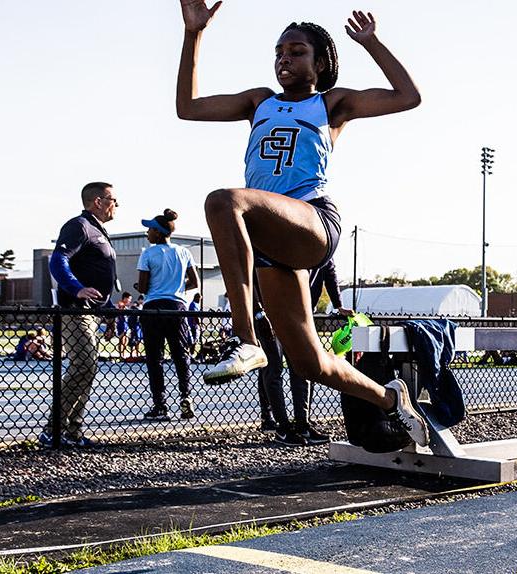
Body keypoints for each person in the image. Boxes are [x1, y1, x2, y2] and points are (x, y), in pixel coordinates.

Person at [176, 3, 429, 445]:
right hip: (272, 240)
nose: (284, 59)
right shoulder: (259, 101)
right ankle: (391, 401)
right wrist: (193, 34)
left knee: (223, 201)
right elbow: (188, 108)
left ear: (320, 62)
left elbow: (408, 97)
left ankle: (245, 338)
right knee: (311, 363)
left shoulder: (331, 103)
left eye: (296, 51)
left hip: (312, 222)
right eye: (279, 52)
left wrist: (371, 42)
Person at [40, 181, 118, 447]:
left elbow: (96, 272)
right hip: (75, 311)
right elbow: (58, 260)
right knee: (83, 364)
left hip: (92, 313)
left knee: (89, 368)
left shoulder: (99, 231)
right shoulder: (79, 226)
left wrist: (108, 311)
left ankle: (72, 431)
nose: (116, 205)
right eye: (113, 200)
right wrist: (76, 288)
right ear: (98, 201)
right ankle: (53, 429)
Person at [258, 258, 350, 446]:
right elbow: (254, 271)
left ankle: (302, 425)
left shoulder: (322, 244)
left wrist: (338, 304)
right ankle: (282, 428)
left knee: (303, 368)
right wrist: (260, 311)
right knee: (273, 368)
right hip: (272, 311)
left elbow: (329, 271)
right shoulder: (280, 239)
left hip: (302, 313)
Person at [136, 209, 200, 421]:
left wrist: (141, 285)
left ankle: (160, 404)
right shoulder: (183, 252)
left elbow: (144, 287)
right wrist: (178, 287)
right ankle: (186, 397)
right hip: (177, 307)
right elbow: (195, 282)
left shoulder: (148, 253)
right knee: (180, 355)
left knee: (155, 358)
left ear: (158, 232)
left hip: (153, 306)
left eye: (150, 230)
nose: (147, 233)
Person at [115, 292, 133, 358]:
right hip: (121, 324)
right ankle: (121, 354)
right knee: (122, 340)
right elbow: (121, 309)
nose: (130, 301)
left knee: (126, 340)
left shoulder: (126, 306)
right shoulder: (121, 304)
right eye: (129, 299)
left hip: (126, 324)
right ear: (125, 298)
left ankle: (123, 353)